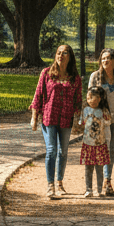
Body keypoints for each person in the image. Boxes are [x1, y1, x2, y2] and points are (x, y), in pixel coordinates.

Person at [31, 44, 83, 199]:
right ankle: (50, 185)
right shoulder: (46, 73)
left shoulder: (75, 78)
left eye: (65, 53)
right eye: (59, 53)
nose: (61, 55)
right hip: (49, 118)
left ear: (70, 57)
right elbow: (38, 95)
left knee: (63, 152)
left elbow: (78, 101)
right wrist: (34, 117)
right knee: (52, 150)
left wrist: (79, 119)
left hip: (66, 119)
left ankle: (60, 182)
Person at [88, 48, 114, 196]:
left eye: (108, 58)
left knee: (110, 148)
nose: (105, 61)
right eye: (103, 58)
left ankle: (108, 181)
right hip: (99, 120)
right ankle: (93, 185)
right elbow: (89, 97)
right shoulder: (95, 77)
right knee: (98, 149)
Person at [78, 87, 112, 197]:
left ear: (99, 99)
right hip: (88, 144)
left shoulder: (103, 111)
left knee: (99, 168)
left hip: (100, 144)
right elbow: (81, 122)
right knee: (88, 168)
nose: (90, 100)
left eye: (93, 97)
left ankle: (99, 190)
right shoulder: (85, 110)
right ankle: (89, 189)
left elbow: (108, 123)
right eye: (88, 97)